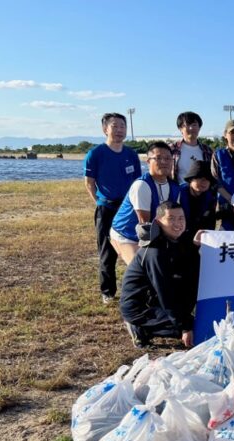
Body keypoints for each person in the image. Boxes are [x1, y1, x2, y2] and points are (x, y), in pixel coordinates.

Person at [121, 201, 200, 349]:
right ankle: (140, 327)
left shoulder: (176, 239)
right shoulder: (154, 251)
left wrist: (195, 246)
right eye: (171, 219)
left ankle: (172, 322)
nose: (178, 223)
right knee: (197, 329)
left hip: (155, 298)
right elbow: (165, 291)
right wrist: (184, 327)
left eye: (181, 218)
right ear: (159, 222)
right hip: (140, 307)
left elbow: (187, 266)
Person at [84, 112, 141, 303]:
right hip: (106, 208)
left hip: (128, 210)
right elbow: (89, 182)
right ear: (105, 129)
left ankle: (137, 287)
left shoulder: (131, 155)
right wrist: (98, 202)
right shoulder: (96, 153)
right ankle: (108, 291)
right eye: (114, 126)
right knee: (107, 252)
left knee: (134, 248)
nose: (119, 130)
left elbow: (137, 184)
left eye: (122, 126)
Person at [110, 141, 179, 266]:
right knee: (141, 268)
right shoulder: (142, 185)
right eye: (158, 158)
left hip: (152, 232)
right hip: (127, 234)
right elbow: (144, 227)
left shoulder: (174, 187)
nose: (164, 162)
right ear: (148, 162)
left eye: (168, 158)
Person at [179, 160, 225, 238]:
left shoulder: (211, 197)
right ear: (191, 179)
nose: (204, 182)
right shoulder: (177, 194)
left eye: (208, 179)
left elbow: (210, 223)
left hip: (201, 237)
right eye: (200, 178)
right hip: (179, 234)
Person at [170, 111, 213, 183]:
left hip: (203, 192)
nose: (191, 128)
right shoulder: (172, 149)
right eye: (187, 125)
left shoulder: (208, 151)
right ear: (180, 129)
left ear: (199, 128)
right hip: (179, 192)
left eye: (194, 125)